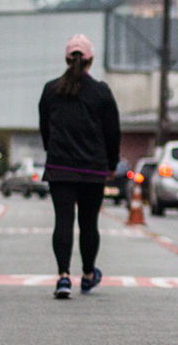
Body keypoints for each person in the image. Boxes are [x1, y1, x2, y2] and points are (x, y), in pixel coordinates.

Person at [39, 34, 121, 299]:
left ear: (66, 59)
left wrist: (52, 152)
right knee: (89, 223)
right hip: (93, 169)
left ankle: (63, 277)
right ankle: (87, 274)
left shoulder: (51, 90)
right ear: (91, 60)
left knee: (63, 221)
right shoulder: (101, 92)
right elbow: (112, 132)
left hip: (60, 167)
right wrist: (111, 163)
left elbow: (45, 129)